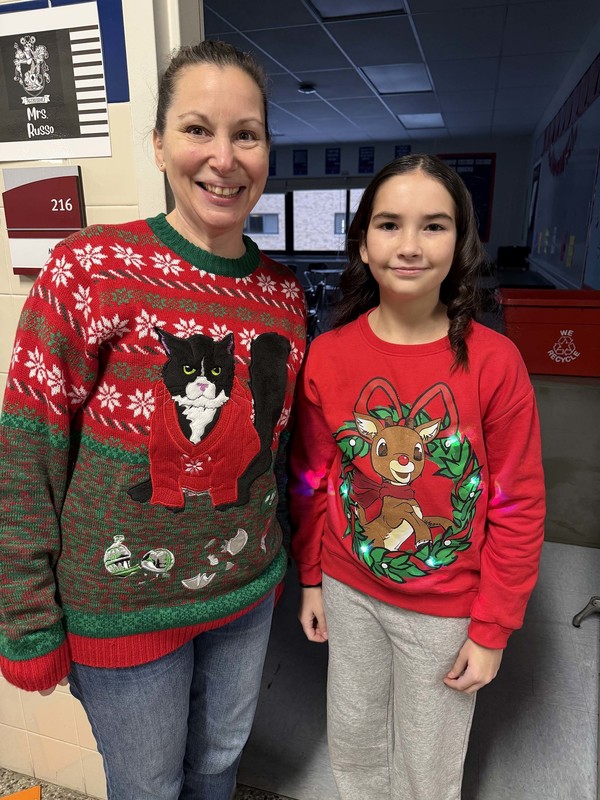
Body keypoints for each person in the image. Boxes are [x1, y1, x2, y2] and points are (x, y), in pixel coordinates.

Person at [0, 40, 306, 800]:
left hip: (245, 589)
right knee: (149, 788)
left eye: (246, 134)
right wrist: (25, 617)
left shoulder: (286, 297)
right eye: (198, 129)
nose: (224, 158)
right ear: (160, 142)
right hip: (122, 608)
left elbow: (282, 445)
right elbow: (24, 450)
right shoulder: (91, 269)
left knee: (219, 769)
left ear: (268, 150)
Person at [289, 154, 545, 800]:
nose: (408, 246)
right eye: (388, 224)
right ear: (363, 244)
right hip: (349, 590)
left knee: (427, 770)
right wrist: (313, 577)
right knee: (354, 744)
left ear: (460, 243)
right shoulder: (328, 352)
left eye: (433, 226)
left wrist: (492, 630)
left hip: (446, 609)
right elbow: (312, 477)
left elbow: (518, 505)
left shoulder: (495, 362)